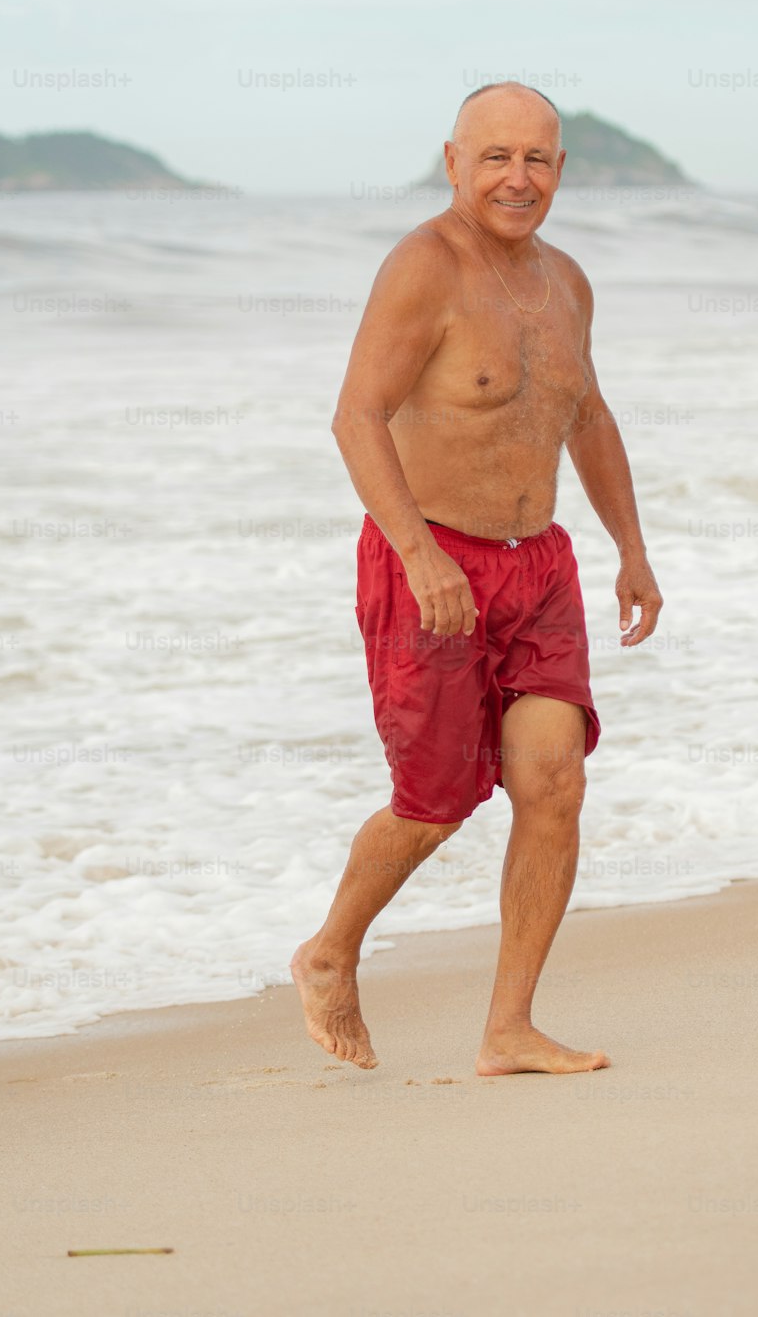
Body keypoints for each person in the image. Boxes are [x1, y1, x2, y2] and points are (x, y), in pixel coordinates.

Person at [291, 81, 662, 1075]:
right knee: (435, 800)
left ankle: (508, 1030)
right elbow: (355, 417)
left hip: (536, 564)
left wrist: (630, 547)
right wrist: (417, 556)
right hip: (430, 560)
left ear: (560, 170)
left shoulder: (567, 282)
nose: (516, 177)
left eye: (535, 159)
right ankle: (330, 951)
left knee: (553, 784)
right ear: (453, 160)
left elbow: (585, 415)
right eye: (494, 156)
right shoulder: (424, 266)